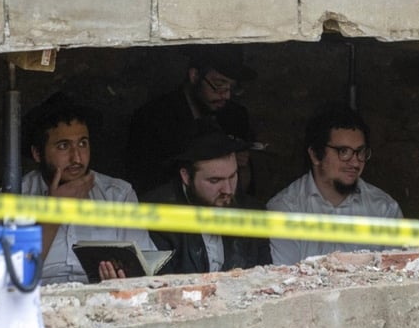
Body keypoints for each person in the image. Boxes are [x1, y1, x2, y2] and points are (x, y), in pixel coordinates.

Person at [0, 92, 158, 284]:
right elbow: (10, 280)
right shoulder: (12, 198)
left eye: (83, 144)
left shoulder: (118, 195)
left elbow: (146, 274)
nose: (76, 158)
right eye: (63, 146)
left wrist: (117, 283)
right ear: (37, 153)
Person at [266, 102, 403, 265]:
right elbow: (284, 278)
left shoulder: (384, 209)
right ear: (316, 155)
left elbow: (395, 277)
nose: (355, 162)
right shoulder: (286, 209)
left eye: (360, 152)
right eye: (343, 152)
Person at [126, 45, 257, 197]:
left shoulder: (235, 116)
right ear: (194, 76)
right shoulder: (152, 118)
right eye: (219, 85)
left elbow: (246, 190)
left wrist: (241, 165)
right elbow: (144, 182)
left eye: (232, 88)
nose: (226, 95)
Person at [141, 128, 271, 274]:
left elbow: (264, 279)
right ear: (186, 177)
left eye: (232, 176)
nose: (227, 190)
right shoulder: (158, 215)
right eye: (215, 180)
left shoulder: (253, 212)